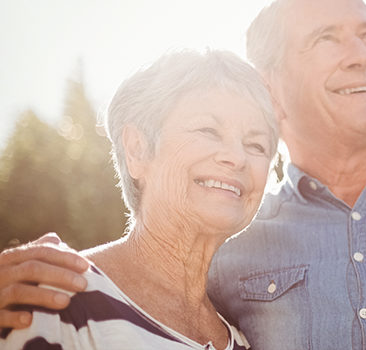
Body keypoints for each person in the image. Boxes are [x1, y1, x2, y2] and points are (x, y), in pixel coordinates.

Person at [0, 0, 366, 348]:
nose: (361, 54)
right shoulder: (228, 243)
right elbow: (139, 285)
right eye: (326, 38)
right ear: (271, 86)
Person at [0, 49, 279, 349]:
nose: (237, 158)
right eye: (209, 130)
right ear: (137, 150)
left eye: (256, 145)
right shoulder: (51, 300)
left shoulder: (241, 342)